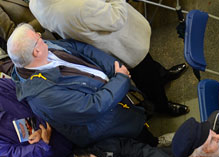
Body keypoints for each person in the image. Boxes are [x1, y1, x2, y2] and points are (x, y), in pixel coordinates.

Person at [27, 0, 189, 116]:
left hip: (109, 43)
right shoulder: (75, 7)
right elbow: (117, 17)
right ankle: (161, 105)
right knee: (145, 75)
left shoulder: (34, 3)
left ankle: (162, 75)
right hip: (120, 45)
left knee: (147, 64)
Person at [8, 23, 152, 147]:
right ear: (36, 52)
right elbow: (92, 106)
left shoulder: (44, 50)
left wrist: (113, 68)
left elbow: (79, 48)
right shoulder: (45, 97)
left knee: (139, 115)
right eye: (38, 37)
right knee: (142, 139)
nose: (41, 36)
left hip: (115, 95)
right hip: (109, 123)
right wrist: (120, 79)